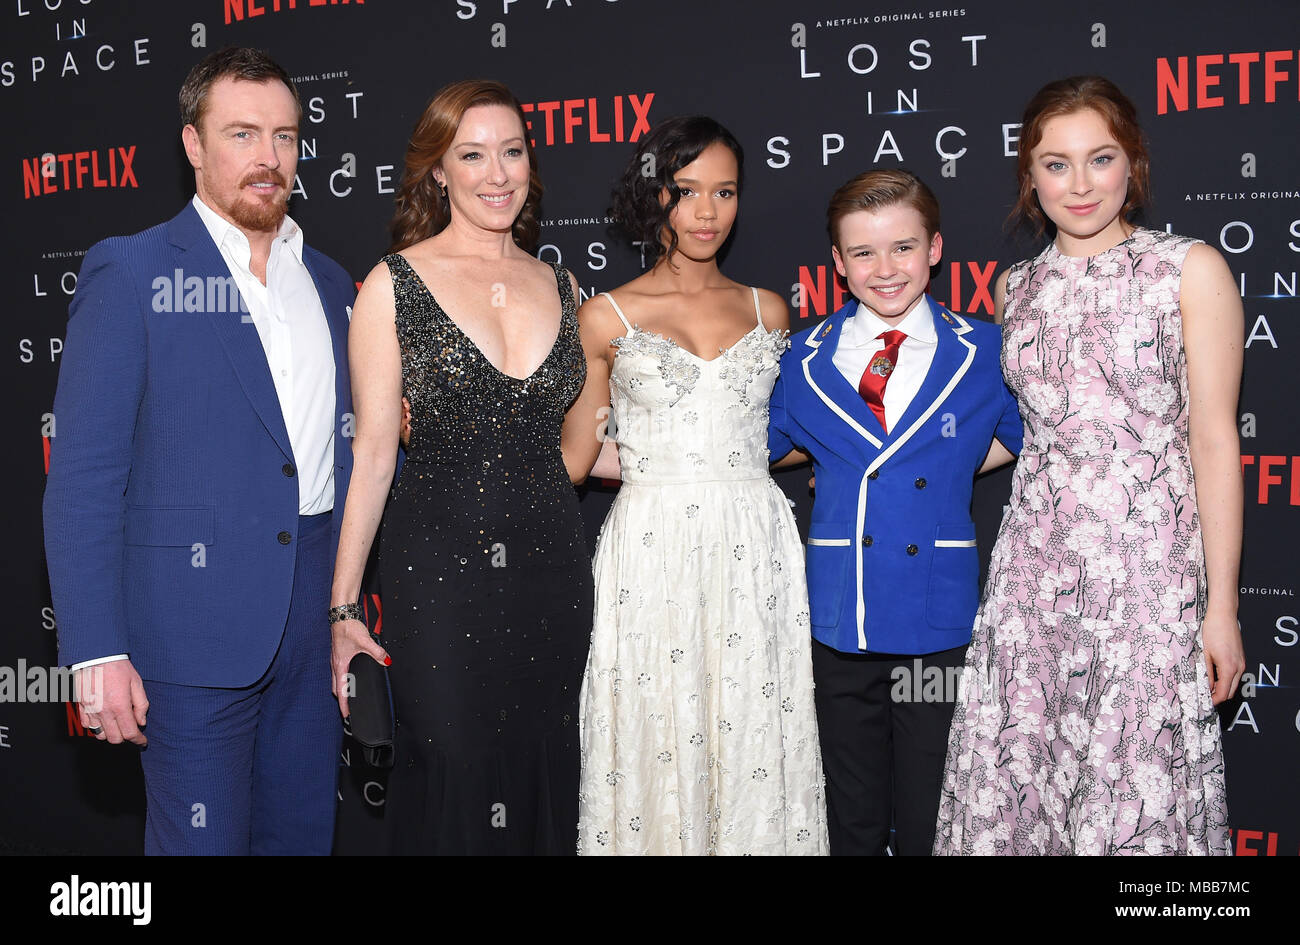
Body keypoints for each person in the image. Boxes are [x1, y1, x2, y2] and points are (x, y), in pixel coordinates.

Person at [43, 47, 355, 855]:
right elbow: (82, 477)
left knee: (300, 840)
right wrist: (97, 649)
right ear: (192, 144)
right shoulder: (135, 268)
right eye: (242, 134)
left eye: (284, 137)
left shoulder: (331, 284)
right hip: (188, 634)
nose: (267, 157)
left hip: (311, 628)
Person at [934, 76, 1245, 856]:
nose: (1079, 184)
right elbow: (1039, 432)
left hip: (1145, 574)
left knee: (1135, 786)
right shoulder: (1019, 287)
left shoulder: (1189, 268)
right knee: (1024, 775)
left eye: (1099, 159)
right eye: (1056, 163)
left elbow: (1212, 440)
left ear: (1132, 163)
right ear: (1028, 176)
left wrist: (1221, 606)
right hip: (1034, 573)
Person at [328, 79, 591, 855]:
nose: (497, 173)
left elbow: (579, 452)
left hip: (553, 570)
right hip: (440, 577)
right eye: (472, 155)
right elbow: (373, 455)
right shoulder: (392, 285)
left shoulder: (563, 286)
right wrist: (344, 610)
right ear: (438, 171)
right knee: (453, 768)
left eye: (511, 151)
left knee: (552, 767)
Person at [565, 116, 828, 855]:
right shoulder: (605, 315)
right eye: (687, 192)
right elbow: (579, 458)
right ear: (656, 197)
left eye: (725, 192)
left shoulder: (766, 309)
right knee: (656, 726)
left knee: (752, 723)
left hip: (754, 544)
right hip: (652, 549)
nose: (707, 212)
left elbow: (768, 440)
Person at [767, 169, 1023, 855]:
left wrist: (934, 468)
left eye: (904, 248)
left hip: (935, 624)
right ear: (837, 263)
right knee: (848, 818)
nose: (886, 270)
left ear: (936, 248)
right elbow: (740, 451)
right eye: (864, 253)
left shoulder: (987, 350)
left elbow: (1039, 441)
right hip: (838, 623)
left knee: (929, 816)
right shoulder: (800, 358)